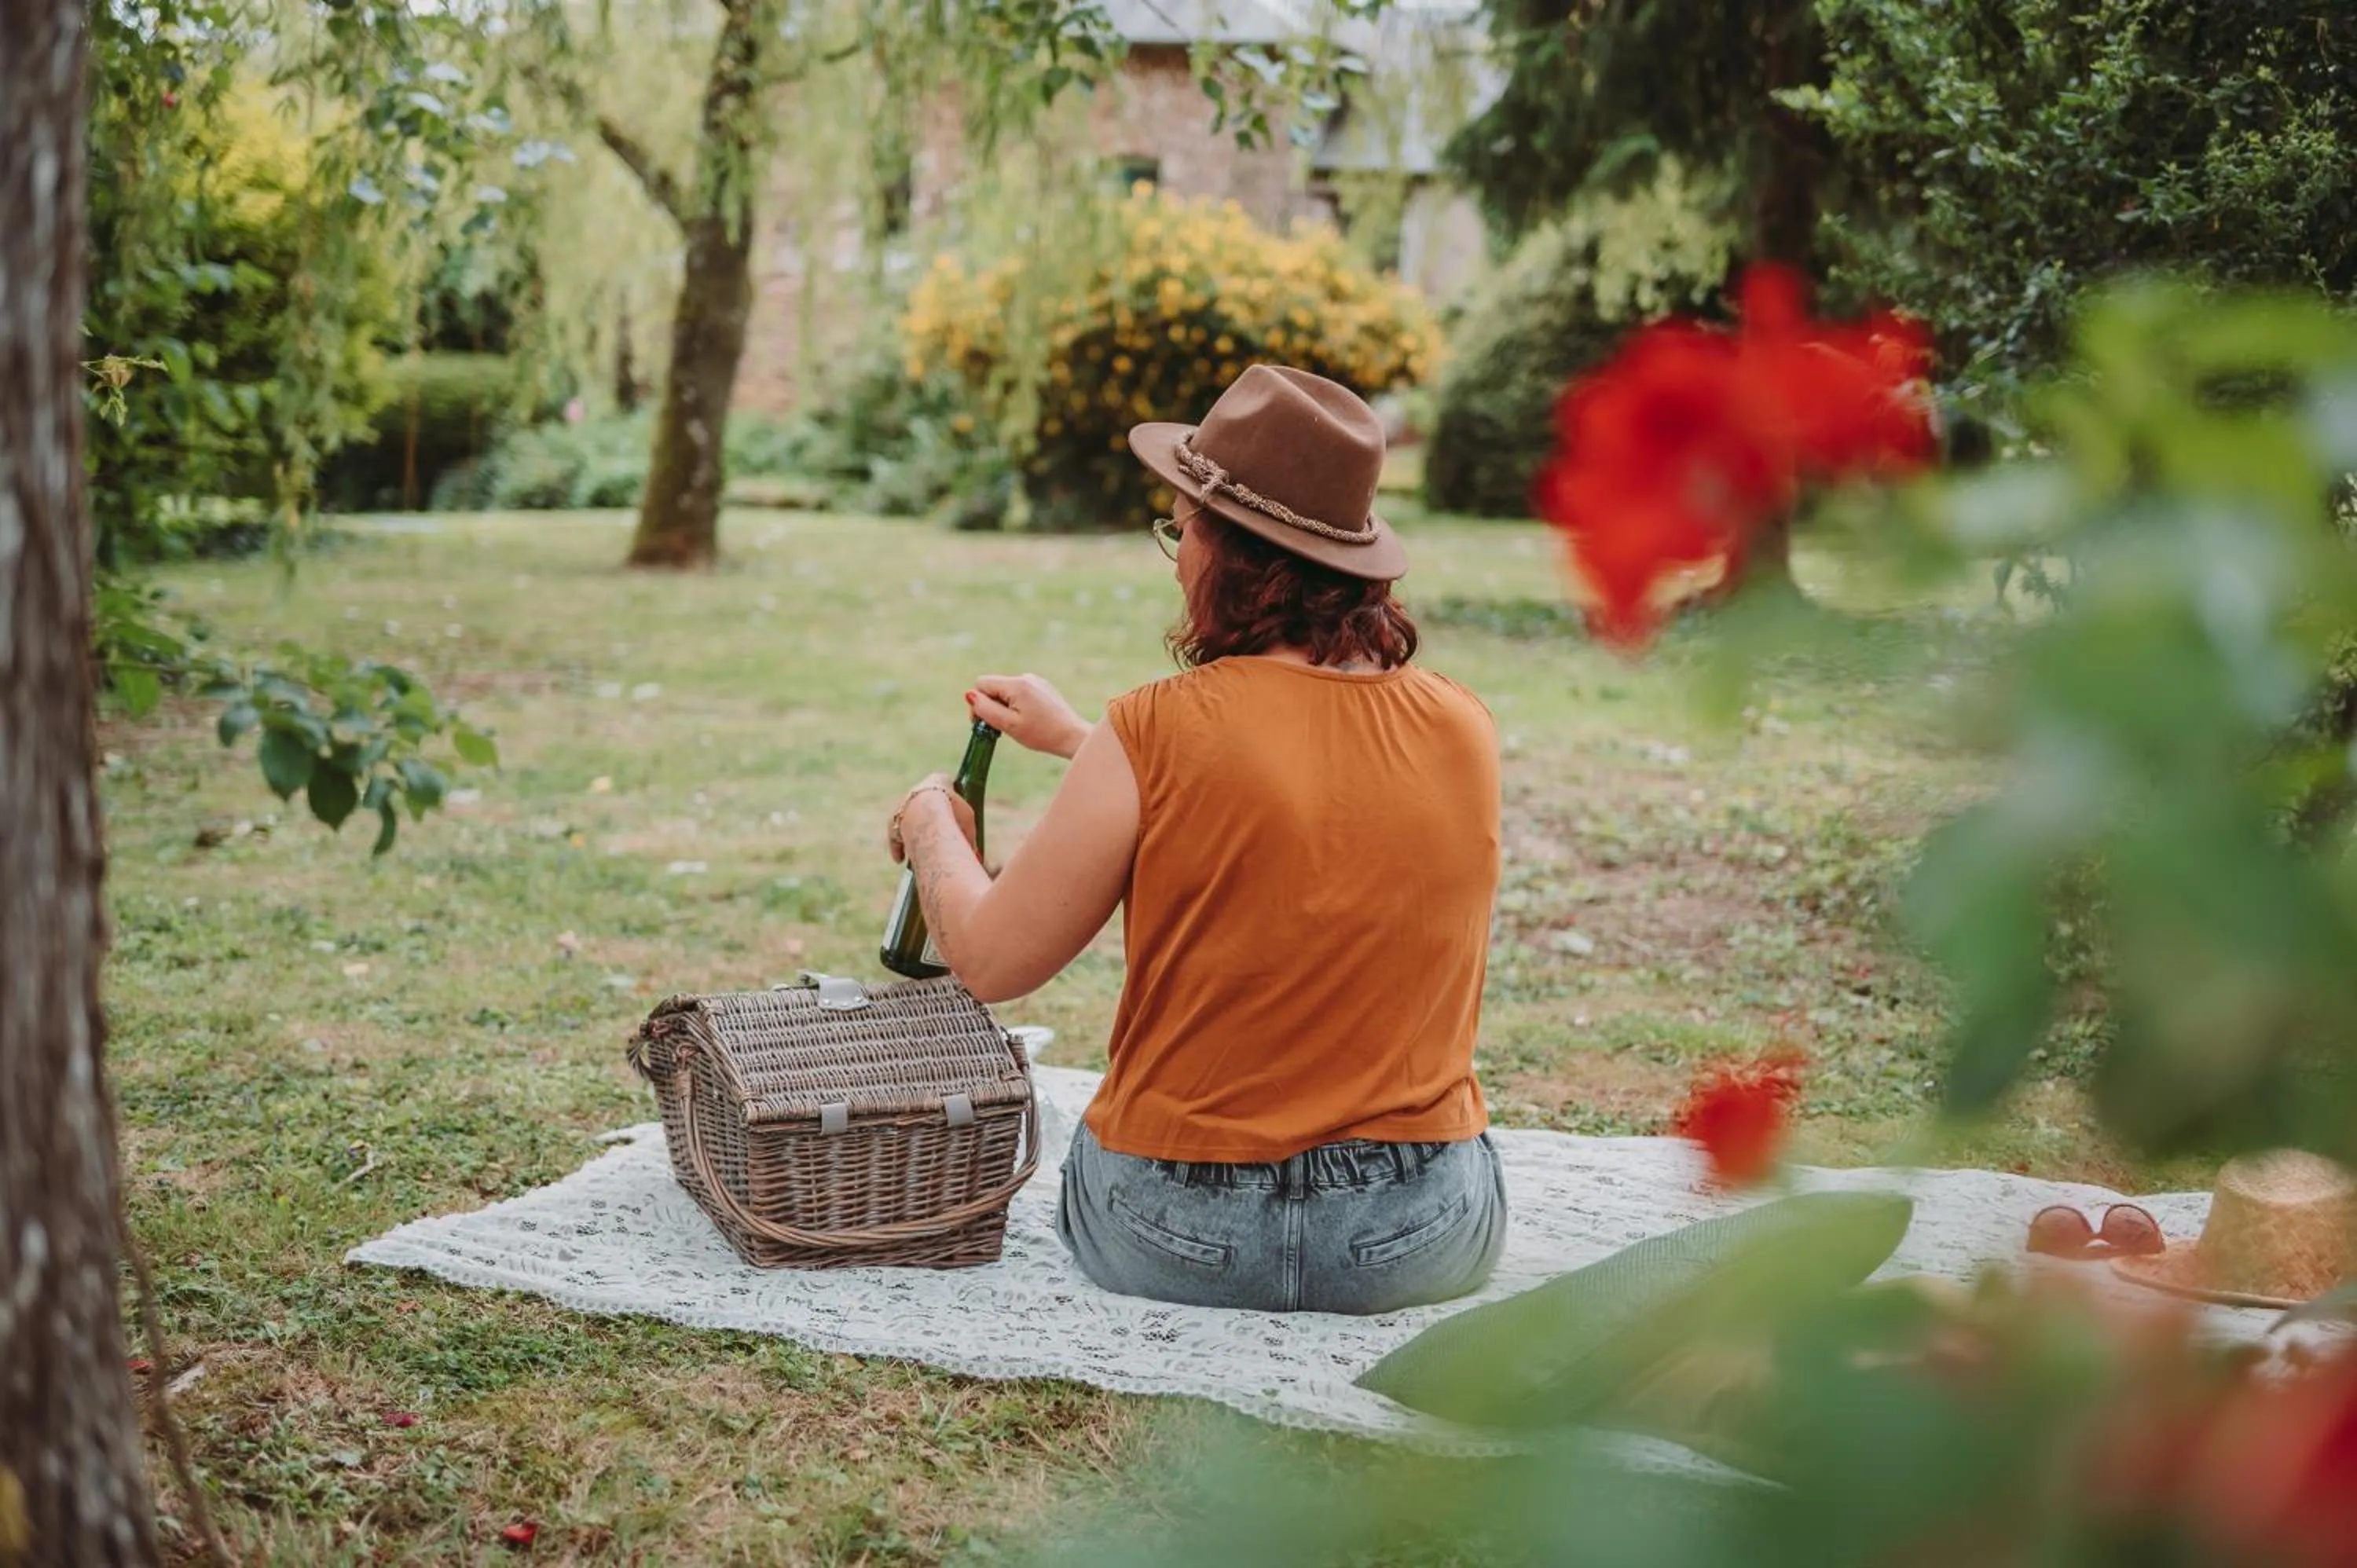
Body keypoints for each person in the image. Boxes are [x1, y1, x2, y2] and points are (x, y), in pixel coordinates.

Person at [885, 365, 1506, 1314]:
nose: (1177, 556)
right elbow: (1280, 804)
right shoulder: (1463, 725)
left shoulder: (1157, 729)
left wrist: (932, 814)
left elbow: (993, 958)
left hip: (1175, 1229)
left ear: (1234, 550)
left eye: (1182, 527)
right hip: (1411, 1234)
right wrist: (1072, 742)